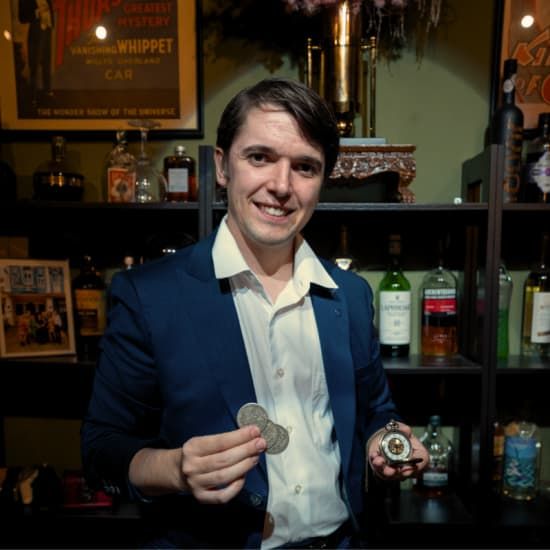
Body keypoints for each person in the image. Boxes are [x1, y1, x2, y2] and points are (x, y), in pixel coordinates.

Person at [81, 77, 428, 548]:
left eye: (304, 167)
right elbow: (101, 450)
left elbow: (376, 412)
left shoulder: (350, 294)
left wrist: (383, 443)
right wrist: (175, 468)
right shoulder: (148, 295)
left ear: (322, 181)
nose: (281, 186)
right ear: (223, 166)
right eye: (260, 157)